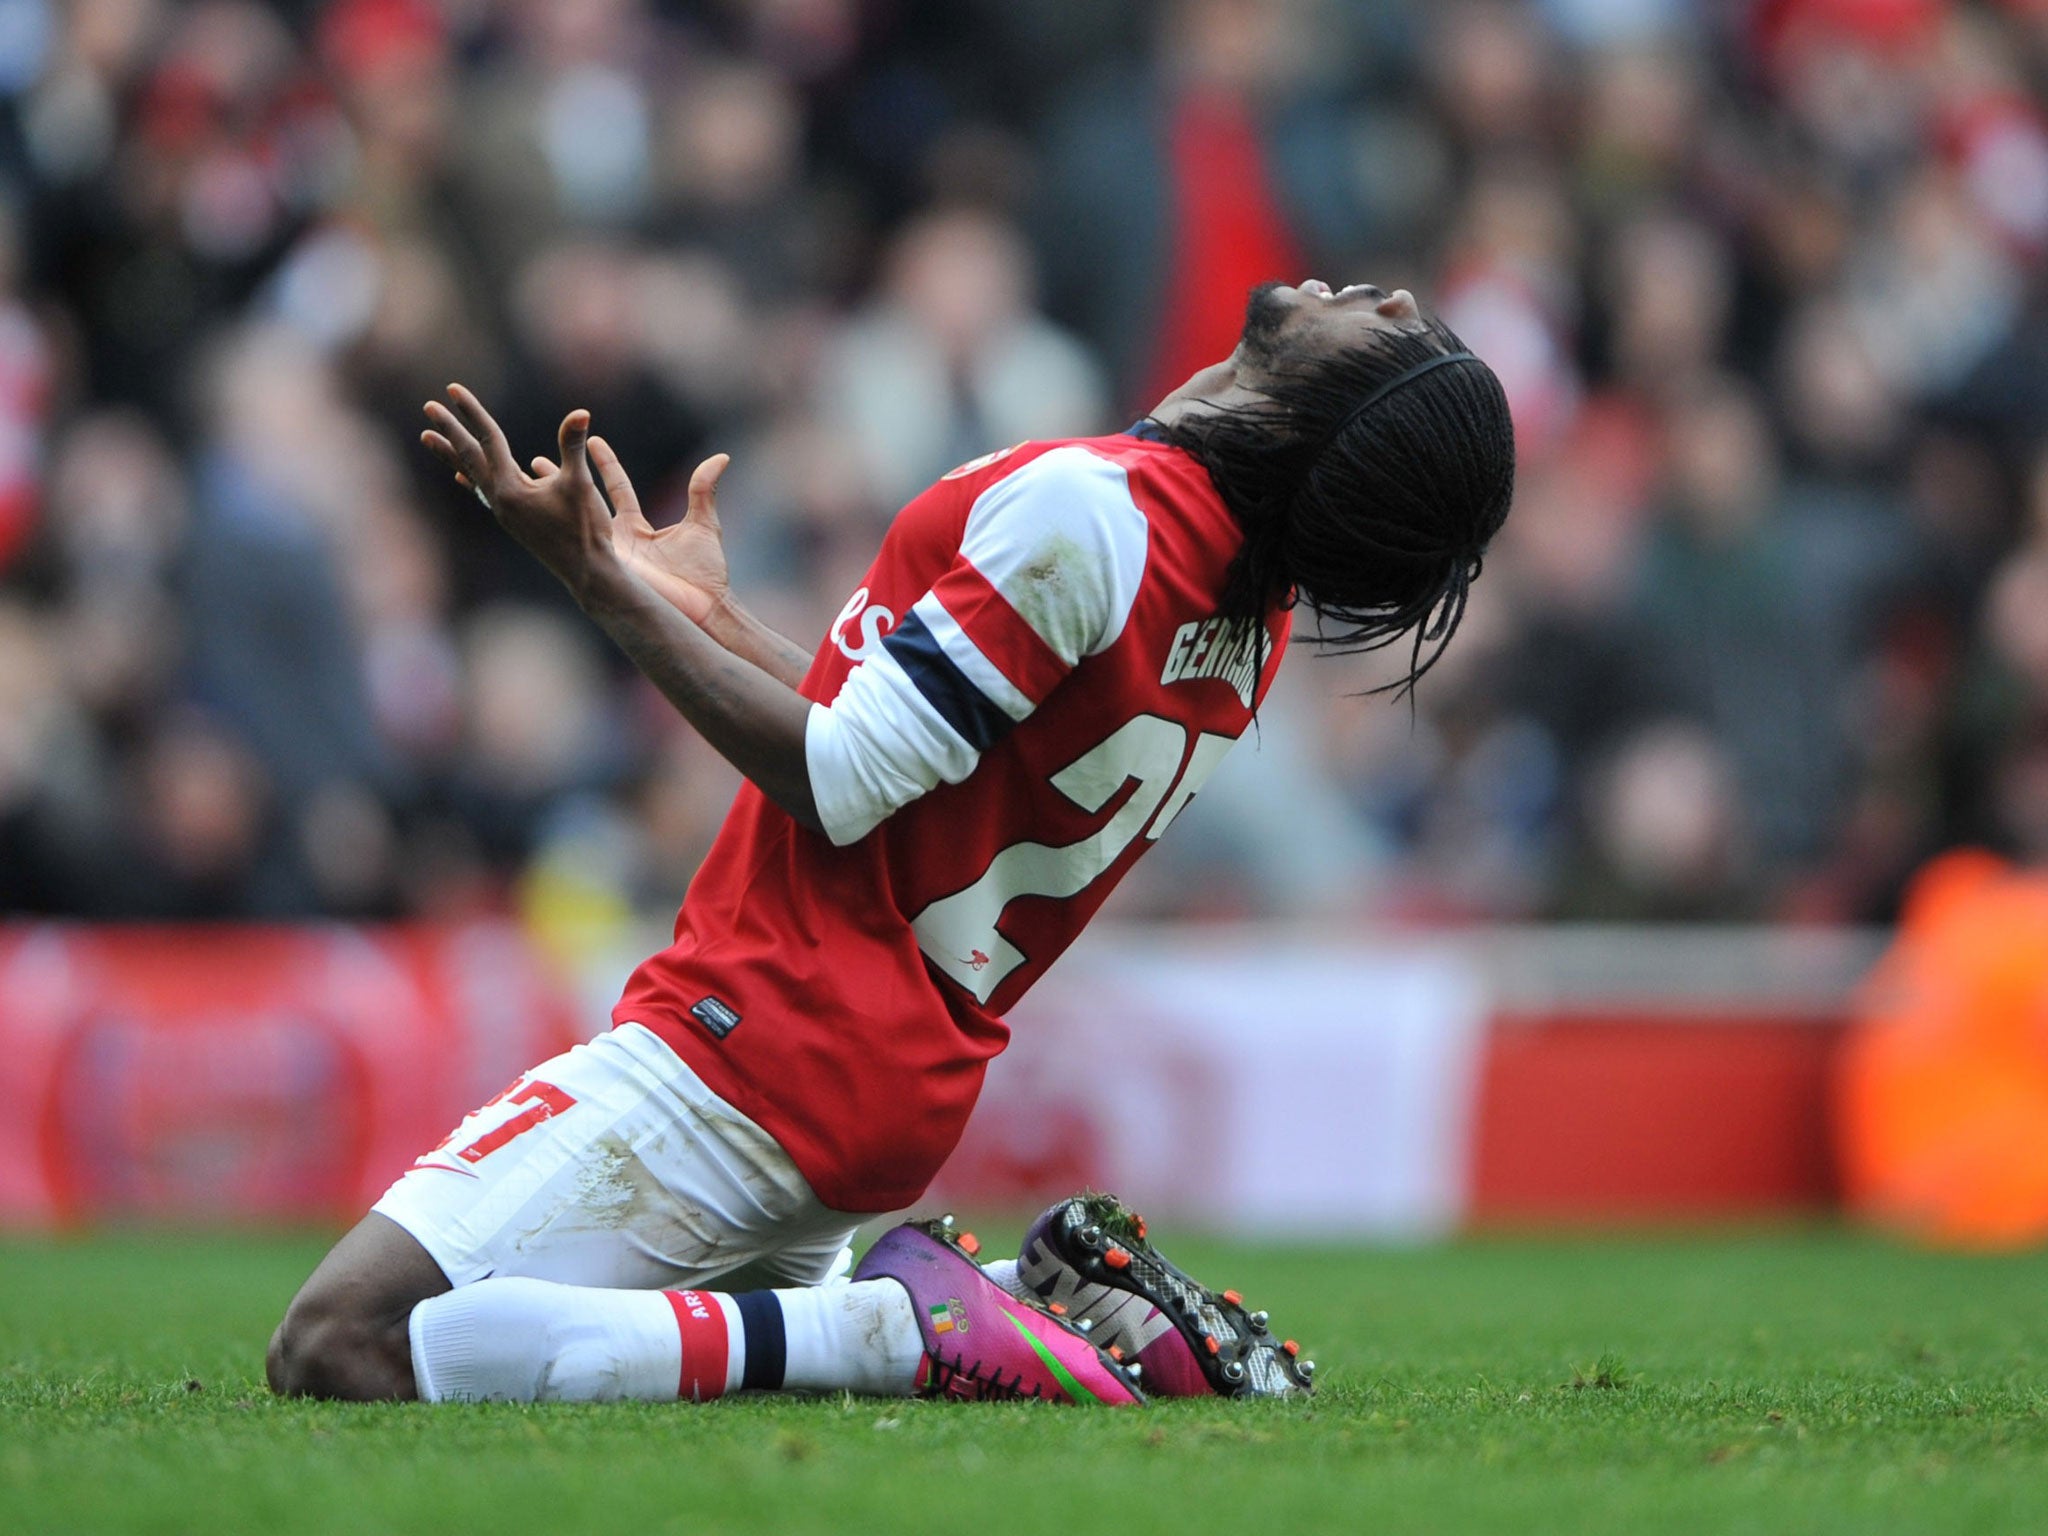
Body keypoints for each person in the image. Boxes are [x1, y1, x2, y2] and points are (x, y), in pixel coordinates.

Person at [266, 279, 1515, 1406]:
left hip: (758, 1036)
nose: (1392, 294)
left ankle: (892, 1330)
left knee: (342, 1340)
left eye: (1402, 334)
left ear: (1343, 406)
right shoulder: (1247, 608)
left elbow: (843, 783)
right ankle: (840, 1328)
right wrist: (705, 617)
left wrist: (597, 586)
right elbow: (912, 754)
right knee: (633, 1378)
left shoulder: (1095, 511)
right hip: (872, 1083)